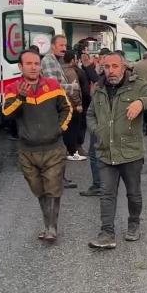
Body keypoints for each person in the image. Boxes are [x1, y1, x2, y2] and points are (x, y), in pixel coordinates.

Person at [86, 52, 147, 249]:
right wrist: (97, 130)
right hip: (105, 151)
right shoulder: (99, 88)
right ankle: (106, 233)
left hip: (131, 152)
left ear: (123, 67)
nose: (110, 71)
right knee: (106, 194)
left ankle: (134, 224)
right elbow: (90, 114)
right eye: (106, 67)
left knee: (133, 193)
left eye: (114, 66)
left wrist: (141, 102)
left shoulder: (137, 86)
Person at [3, 49, 72, 242]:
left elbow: (67, 108)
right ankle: (47, 225)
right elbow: (7, 114)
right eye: (29, 64)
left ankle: (52, 228)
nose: (34, 67)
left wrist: (59, 129)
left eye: (36, 63)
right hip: (27, 151)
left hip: (53, 148)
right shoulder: (12, 88)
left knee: (53, 188)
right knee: (38, 189)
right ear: (20, 66)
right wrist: (20, 98)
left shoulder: (53, 85)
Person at [41, 34, 81, 189]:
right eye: (61, 45)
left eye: (65, 46)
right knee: (57, 147)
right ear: (52, 46)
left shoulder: (55, 61)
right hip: (52, 110)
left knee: (57, 146)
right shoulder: (49, 61)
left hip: (57, 108)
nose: (64, 48)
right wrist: (72, 87)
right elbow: (53, 85)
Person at [79, 48, 112, 197]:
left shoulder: (106, 77)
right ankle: (104, 184)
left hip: (101, 121)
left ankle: (100, 185)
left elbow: (98, 83)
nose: (103, 61)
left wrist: (87, 66)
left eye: (105, 58)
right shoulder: (101, 72)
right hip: (100, 118)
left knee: (95, 153)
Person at [61, 51, 87, 161]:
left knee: (67, 129)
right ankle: (73, 152)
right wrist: (78, 104)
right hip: (73, 105)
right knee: (73, 129)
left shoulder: (61, 69)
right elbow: (74, 90)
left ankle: (68, 150)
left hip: (65, 104)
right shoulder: (71, 72)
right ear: (72, 60)